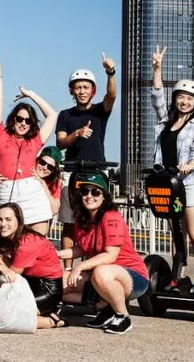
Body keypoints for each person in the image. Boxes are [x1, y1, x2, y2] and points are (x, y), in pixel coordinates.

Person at [151, 45, 194, 294]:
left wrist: (190, 165)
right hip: (169, 183)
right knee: (177, 234)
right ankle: (178, 277)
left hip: (190, 184)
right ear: (175, 98)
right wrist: (157, 68)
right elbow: (156, 96)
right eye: (180, 97)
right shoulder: (165, 122)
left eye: (190, 98)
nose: (184, 101)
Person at [59, 172, 149, 335]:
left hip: (133, 276)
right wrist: (58, 254)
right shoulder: (82, 218)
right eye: (85, 191)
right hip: (100, 276)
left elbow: (110, 256)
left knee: (101, 272)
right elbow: (82, 247)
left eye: (95, 192)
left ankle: (122, 316)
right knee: (57, 284)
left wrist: (80, 266)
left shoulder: (111, 217)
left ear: (104, 196)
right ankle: (103, 306)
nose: (89, 196)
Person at [0, 45, 59, 234]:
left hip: (32, 192)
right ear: (13, 119)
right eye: (20, 118)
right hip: (7, 189)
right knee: (10, 247)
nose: (23, 123)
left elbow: (52, 115)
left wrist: (31, 95)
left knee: (37, 245)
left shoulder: (34, 140)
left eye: (28, 120)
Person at [55, 53, 117, 272]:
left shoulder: (100, 111)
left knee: (96, 222)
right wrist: (77, 134)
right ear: (72, 90)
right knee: (70, 224)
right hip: (72, 172)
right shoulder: (65, 115)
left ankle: (91, 267)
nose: (82, 91)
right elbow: (61, 143)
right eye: (77, 87)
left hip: (97, 171)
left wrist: (110, 72)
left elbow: (111, 96)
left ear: (93, 90)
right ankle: (68, 270)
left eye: (86, 87)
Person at [0, 203, 65, 331]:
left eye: (8, 219)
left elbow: (12, 277)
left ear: (19, 220)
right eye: (0, 219)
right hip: (28, 281)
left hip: (47, 289)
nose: (3, 224)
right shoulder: (4, 236)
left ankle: (50, 320)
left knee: (3, 315)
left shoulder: (27, 242)